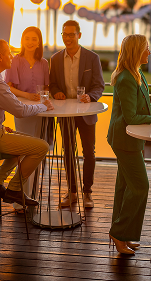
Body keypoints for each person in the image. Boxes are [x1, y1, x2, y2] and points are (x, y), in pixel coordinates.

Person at [107, 34, 151, 255]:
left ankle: (124, 234)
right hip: (124, 140)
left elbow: (144, 109)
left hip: (131, 139)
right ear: (136, 51)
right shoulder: (126, 78)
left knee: (125, 186)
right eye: (146, 48)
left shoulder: (138, 74)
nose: (149, 52)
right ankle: (119, 233)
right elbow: (130, 117)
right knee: (140, 186)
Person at [0, 39, 54, 207]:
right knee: (41, 147)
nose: (12, 56)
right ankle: (14, 189)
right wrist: (42, 106)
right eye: (9, 53)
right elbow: (20, 111)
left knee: (23, 142)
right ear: (0, 57)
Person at [49, 20, 105, 208]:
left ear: (79, 35)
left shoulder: (92, 58)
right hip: (65, 114)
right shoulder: (55, 59)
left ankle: (87, 192)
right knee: (68, 152)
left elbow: (99, 85)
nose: (68, 38)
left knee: (89, 152)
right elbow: (53, 83)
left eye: (71, 34)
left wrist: (91, 96)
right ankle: (72, 192)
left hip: (87, 113)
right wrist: (56, 91)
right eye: (65, 34)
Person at [4, 26, 50, 208]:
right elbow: (9, 86)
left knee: (36, 152)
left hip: (39, 112)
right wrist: (27, 96)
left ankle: (30, 194)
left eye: (34, 39)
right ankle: (18, 196)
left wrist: (42, 96)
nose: (30, 42)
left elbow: (46, 88)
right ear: (22, 40)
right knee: (22, 151)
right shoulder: (16, 60)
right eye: (27, 38)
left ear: (39, 42)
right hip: (22, 110)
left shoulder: (44, 63)